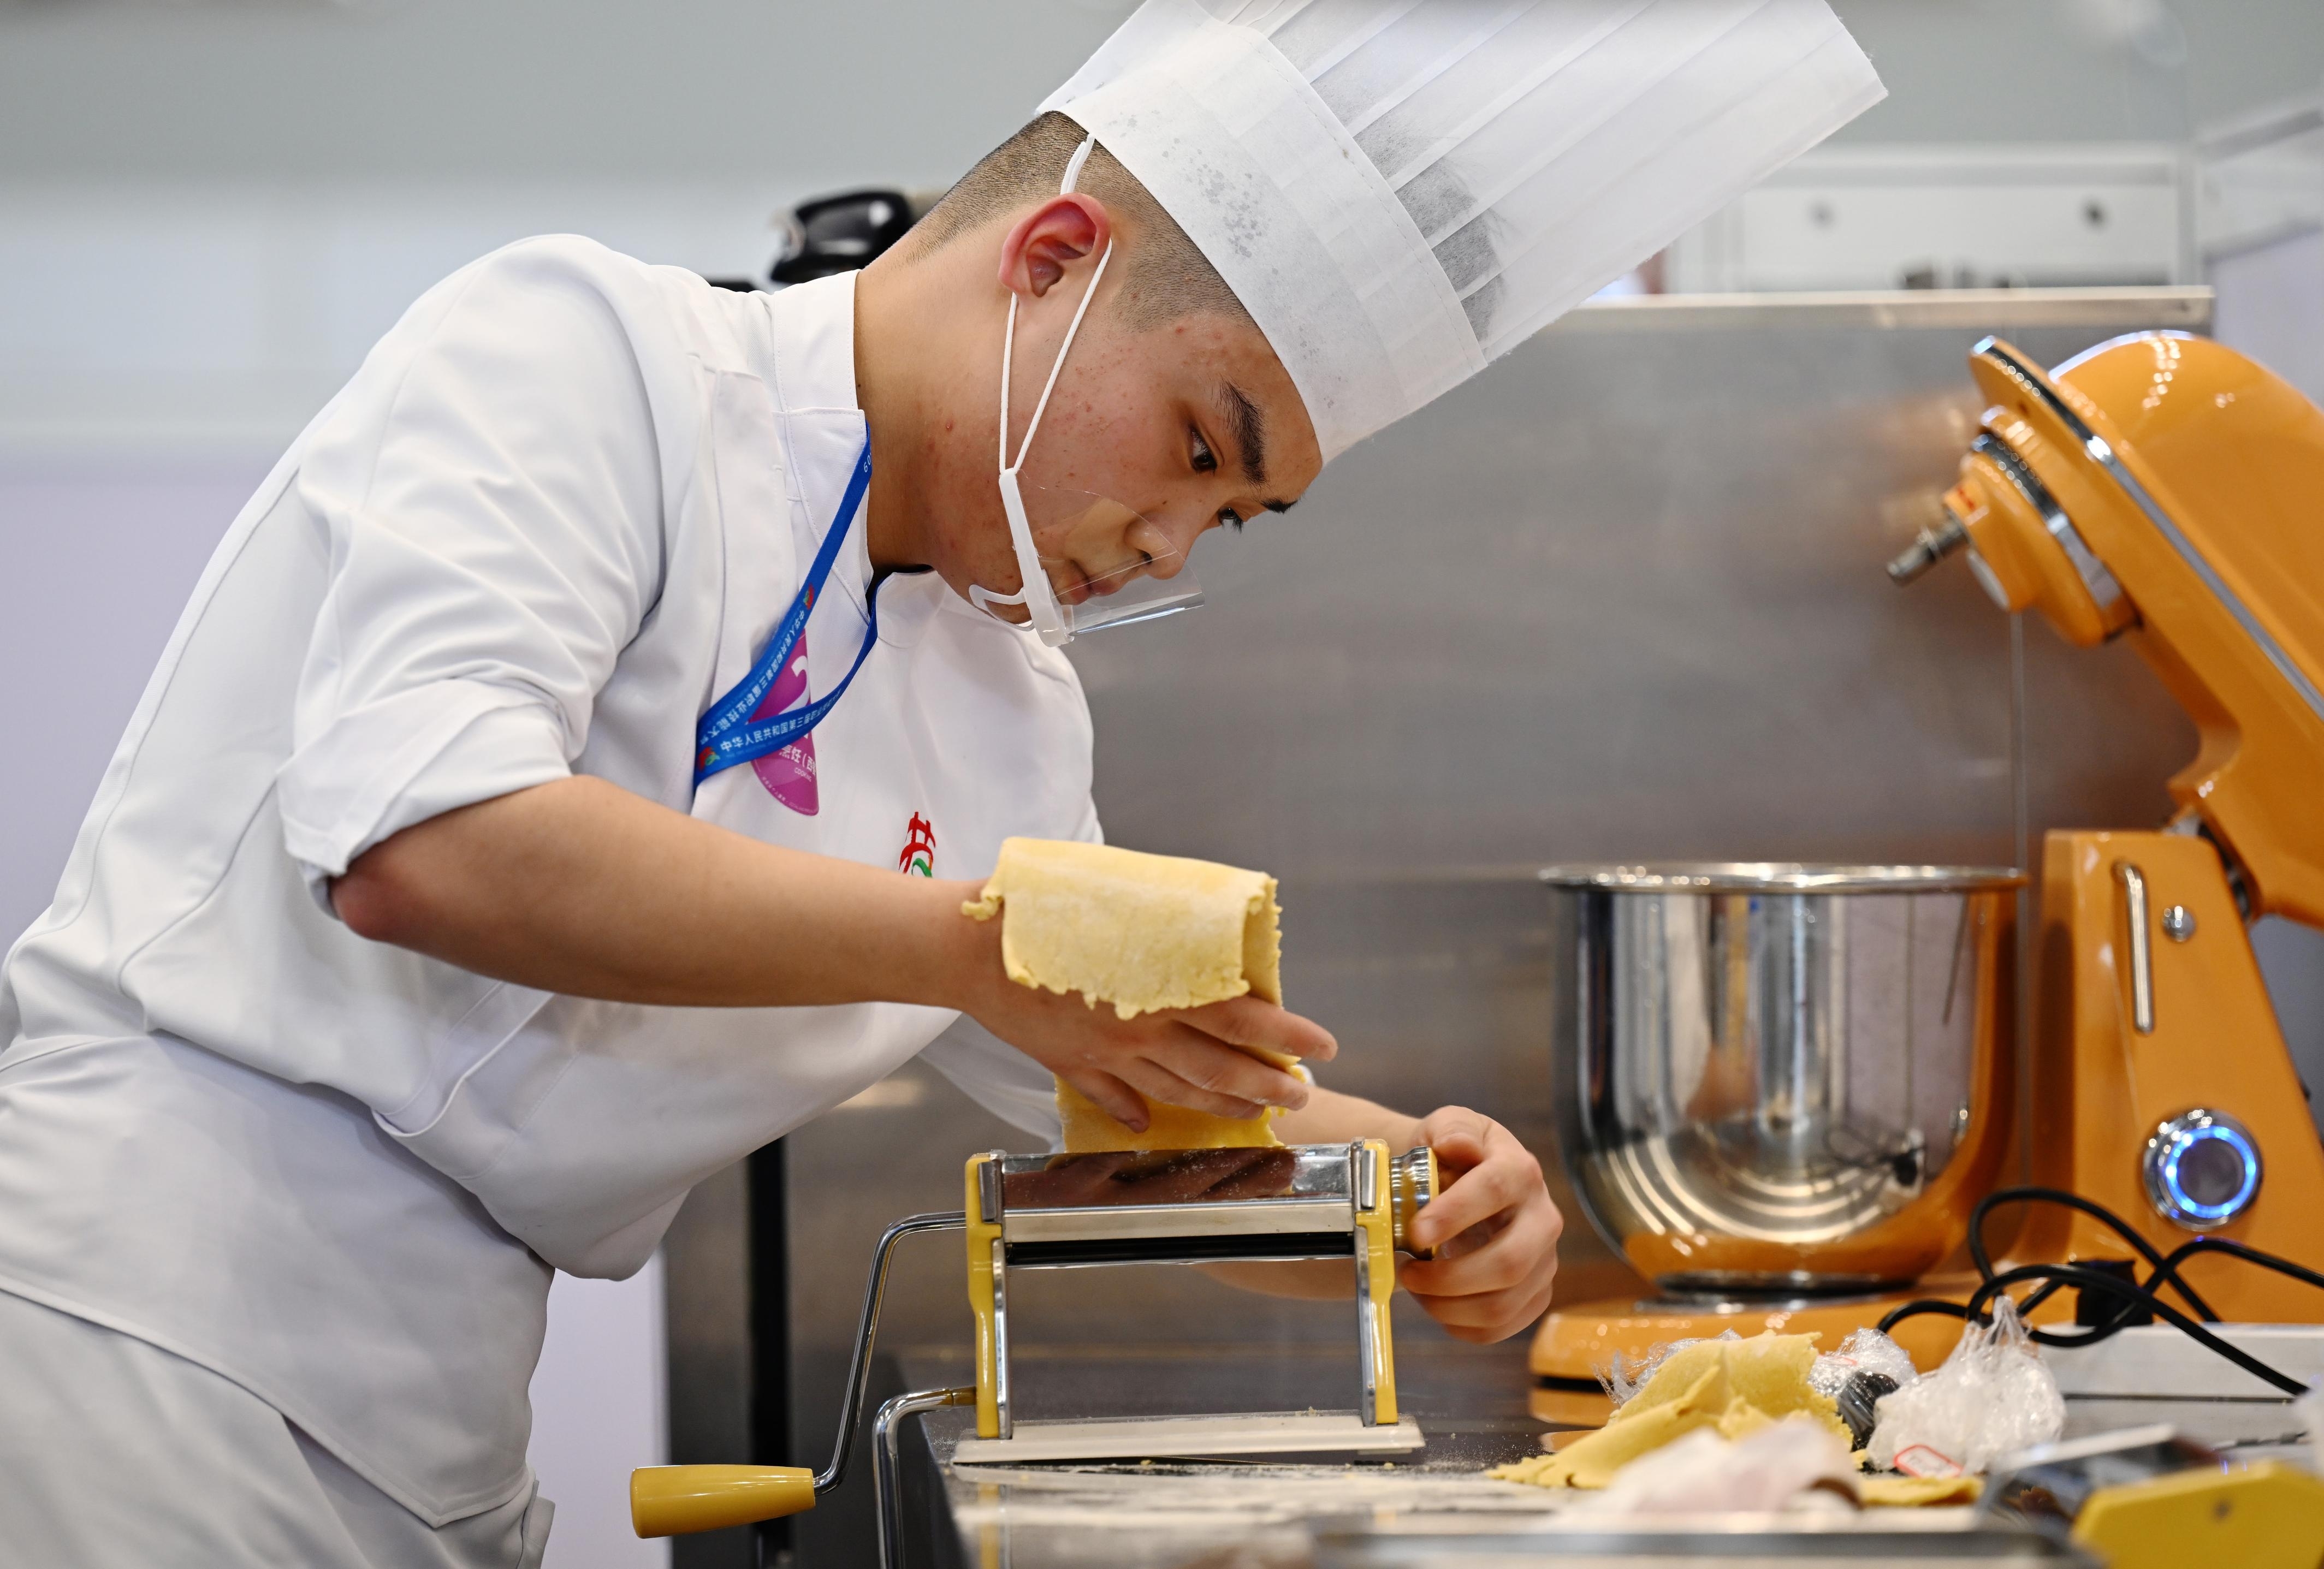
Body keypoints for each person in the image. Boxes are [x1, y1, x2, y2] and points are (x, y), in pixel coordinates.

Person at [0, 2, 1881, 1564]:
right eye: (1197, 445)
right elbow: (427, 844)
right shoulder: (584, 358)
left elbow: (1145, 1116)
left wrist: (1407, 1200)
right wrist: (974, 946)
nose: (1170, 546)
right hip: (132, 1328)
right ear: (1052, 259)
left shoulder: (1012, 712)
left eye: (1237, 515)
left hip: (441, 1427)